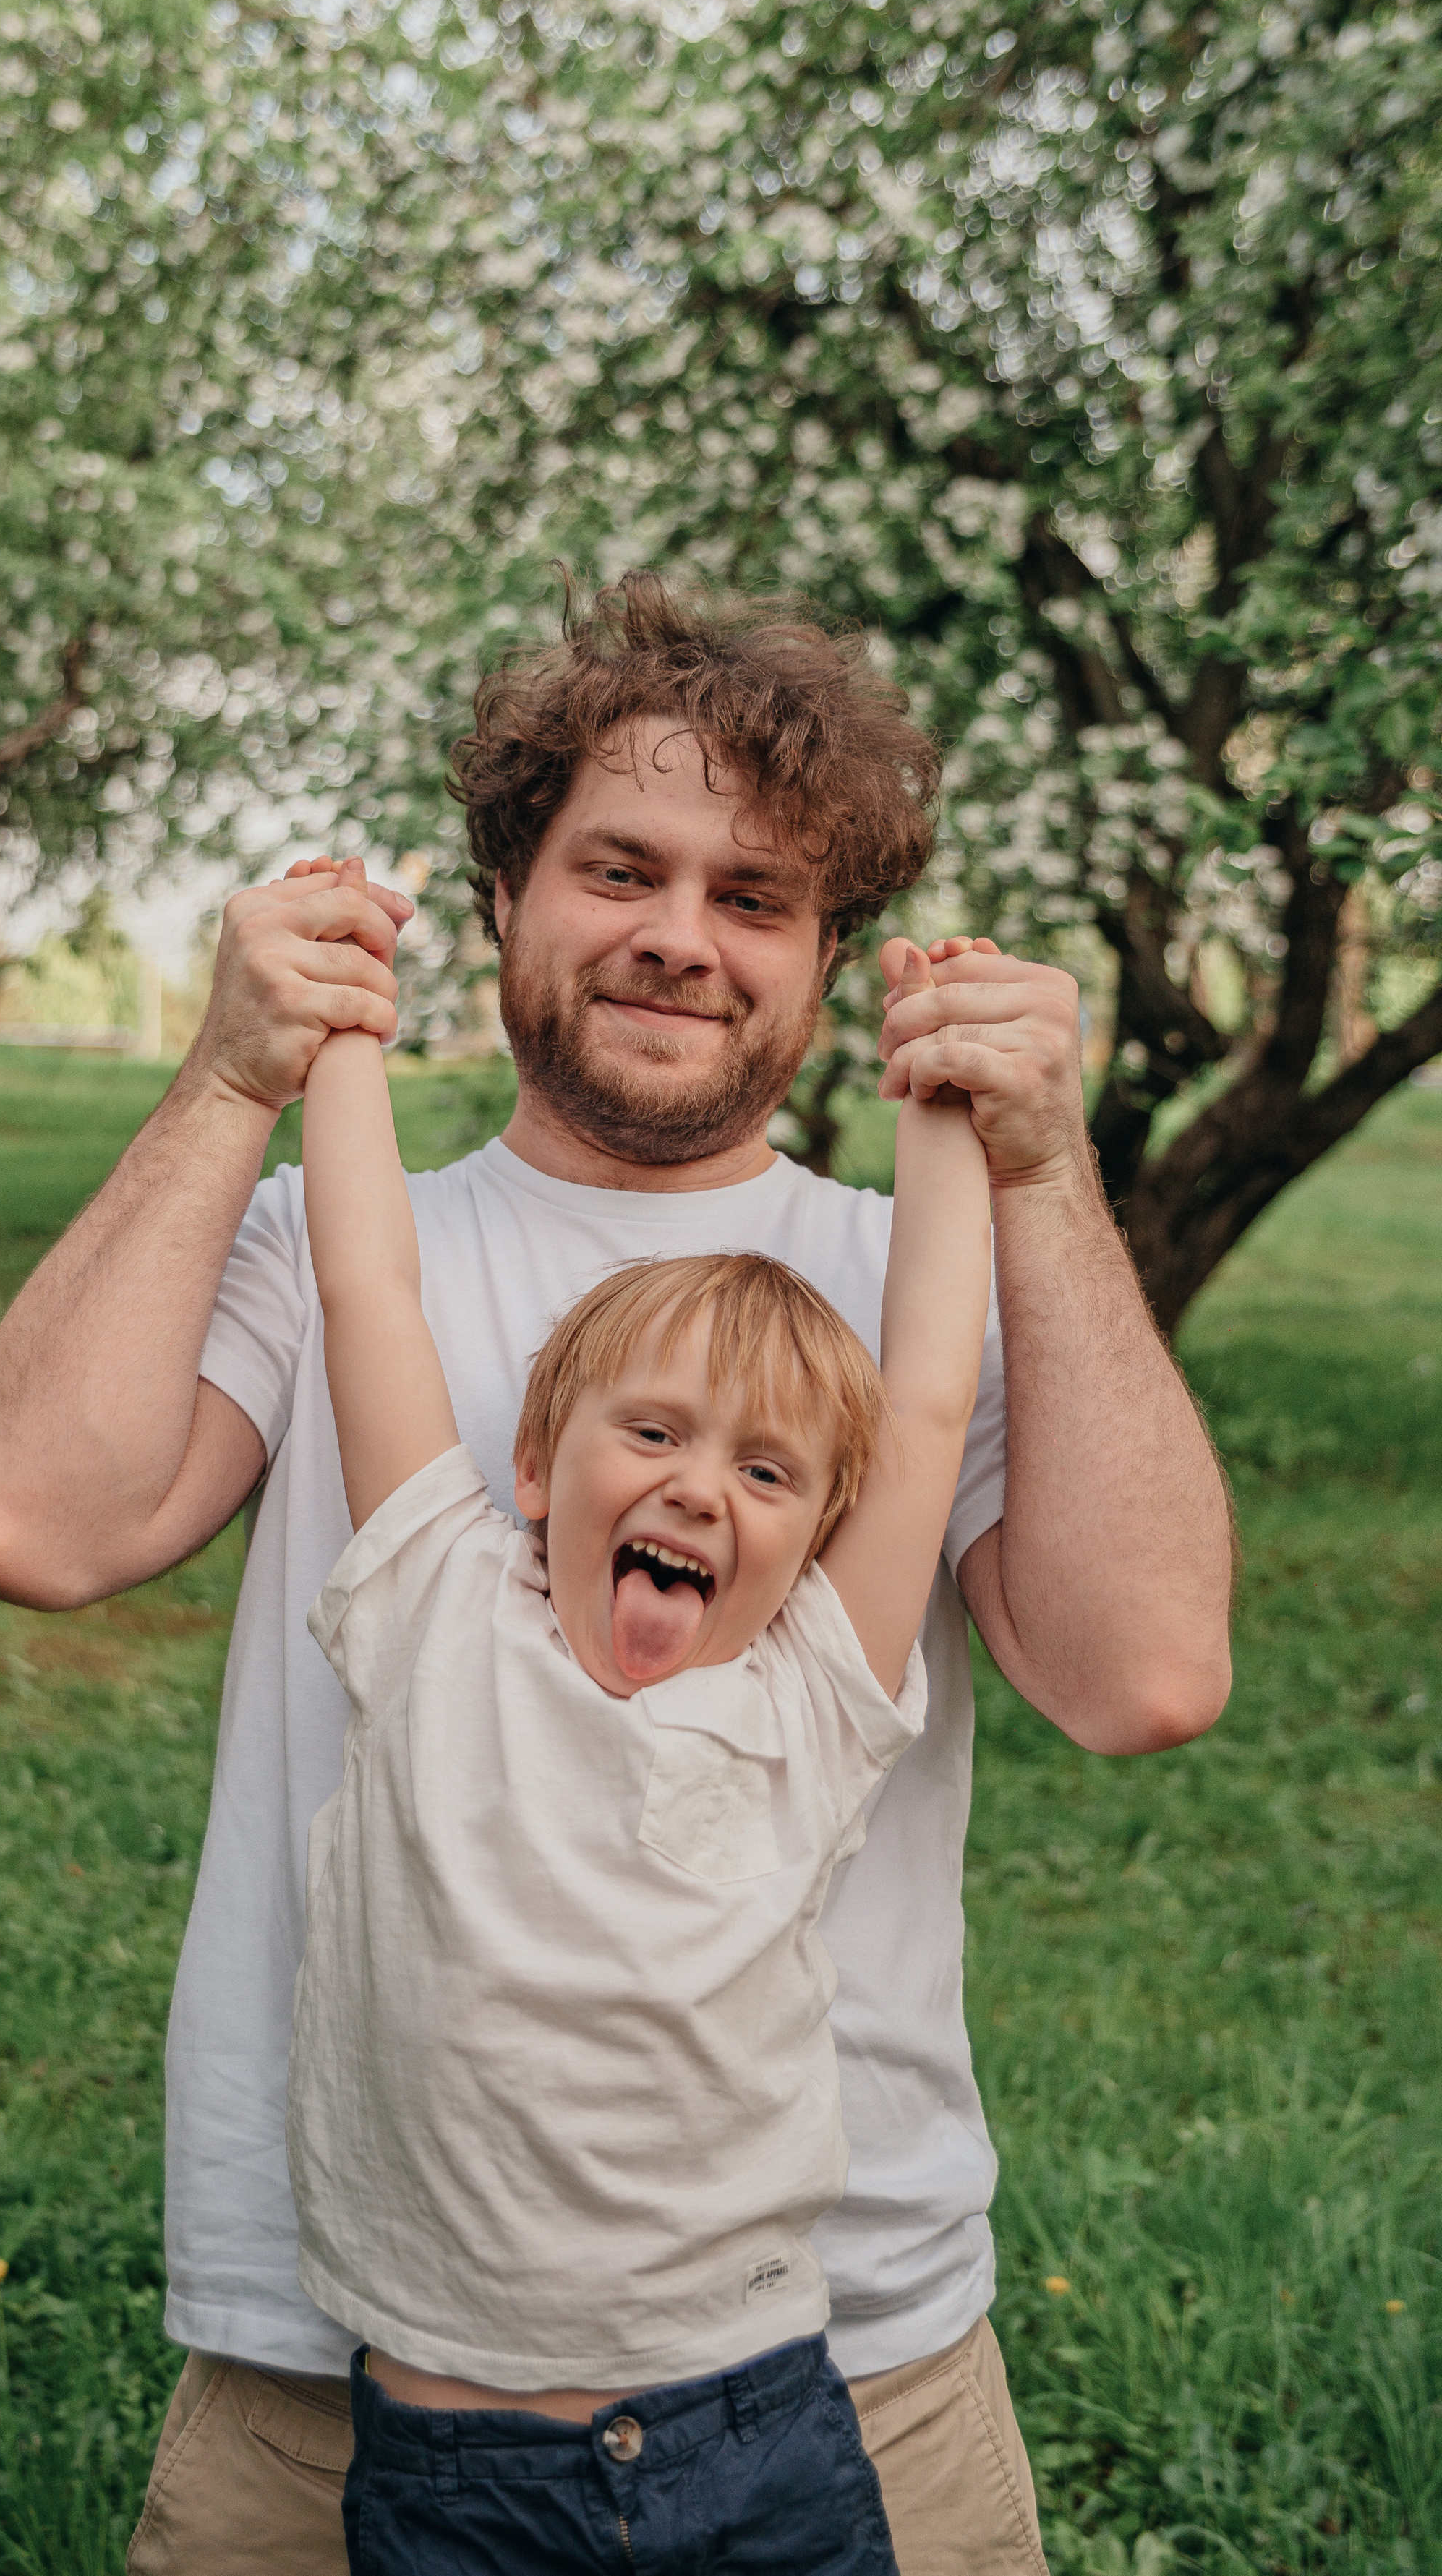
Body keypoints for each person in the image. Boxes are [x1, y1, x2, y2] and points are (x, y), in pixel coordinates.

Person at [0, 575, 1233, 2576]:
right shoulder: (310, 1252)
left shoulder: (905, 1295)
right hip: (335, 2364)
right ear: (504, 900)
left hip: (846, 2357)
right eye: (619, 867)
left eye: (754, 897)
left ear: (824, 960)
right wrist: (233, 1074)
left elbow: (1145, 1673)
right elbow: (32, 1525)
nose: (677, 937)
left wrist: (1039, 1168)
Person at [291, 919, 991, 2573]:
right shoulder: (437, 1610)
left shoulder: (808, 1694)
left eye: (764, 1475)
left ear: (816, 1534)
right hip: (451, 2460)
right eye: (654, 1434)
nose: (696, 1488)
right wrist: (330, 1024)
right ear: (538, 1464)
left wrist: (949, 1091)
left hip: (752, 2437)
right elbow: (362, 1284)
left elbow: (937, 1401)